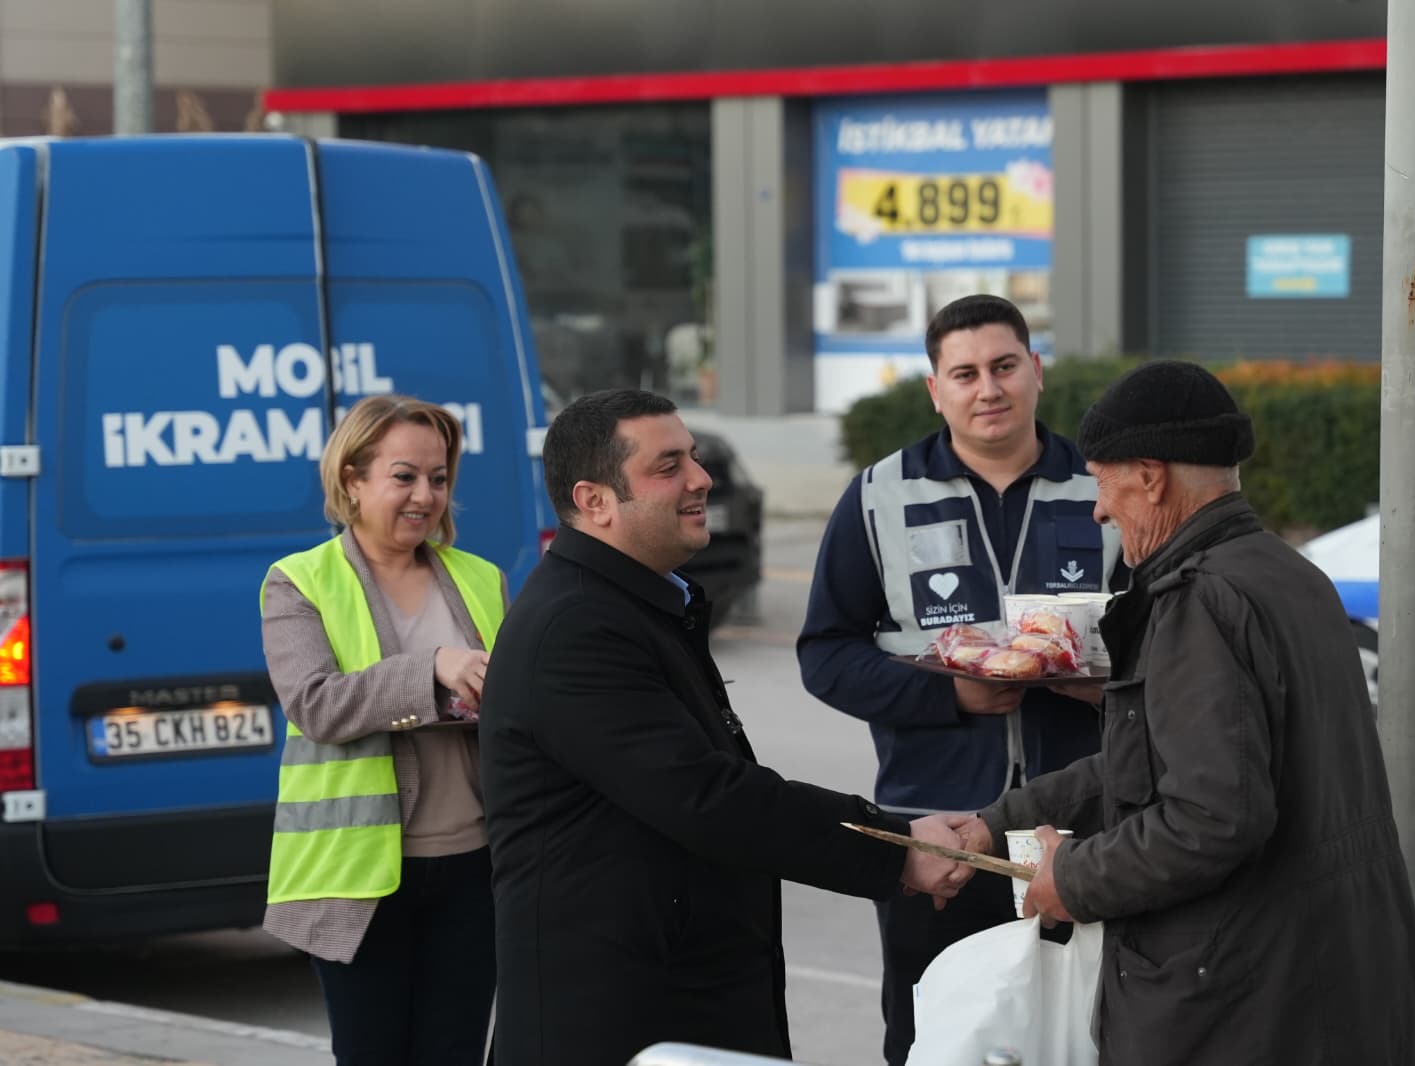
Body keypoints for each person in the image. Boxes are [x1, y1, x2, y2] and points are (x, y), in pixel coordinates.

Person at [947, 360, 1415, 1064]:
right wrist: (1000, 822)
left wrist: (1073, 879)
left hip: (1245, 1004)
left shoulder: (1201, 600)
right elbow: (1155, 757)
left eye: (1102, 480)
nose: (1098, 508)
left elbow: (1210, 818)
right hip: (1329, 983)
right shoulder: (1288, 572)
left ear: (1149, 476)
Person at [478, 389, 973, 1066]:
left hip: (674, 1002)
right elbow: (707, 797)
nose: (701, 478)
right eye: (668, 466)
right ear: (595, 501)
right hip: (620, 1024)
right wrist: (893, 848)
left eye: (694, 458)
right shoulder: (575, 629)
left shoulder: (635, 605)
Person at [797, 293, 1119, 1065]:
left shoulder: (1102, 488)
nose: (989, 389)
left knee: (1087, 1032)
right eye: (965, 373)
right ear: (934, 389)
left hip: (1084, 823)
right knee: (933, 1037)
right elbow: (825, 653)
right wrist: (949, 694)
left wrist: (1101, 685)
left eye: (1005, 366)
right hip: (935, 827)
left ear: (1035, 372)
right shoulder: (880, 494)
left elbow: (1171, 649)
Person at [260, 395, 506, 1066]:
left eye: (439, 477)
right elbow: (317, 704)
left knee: (453, 1055)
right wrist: (433, 670)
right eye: (404, 476)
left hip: (471, 866)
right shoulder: (298, 582)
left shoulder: (482, 579)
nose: (425, 495)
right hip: (356, 877)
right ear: (352, 479)